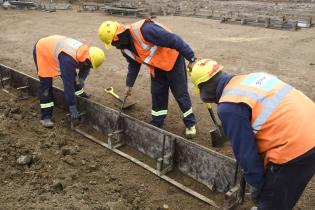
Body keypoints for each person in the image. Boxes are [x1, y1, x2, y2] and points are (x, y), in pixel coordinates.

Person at [188, 58, 315, 210]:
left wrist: (257, 187)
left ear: (204, 89)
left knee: (272, 202)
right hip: (309, 127)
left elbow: (246, 155)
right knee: (285, 190)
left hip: (296, 148)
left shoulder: (229, 107)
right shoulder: (253, 77)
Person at [98, 19, 197, 139]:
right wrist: (129, 84)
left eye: (114, 43)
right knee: (157, 93)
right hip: (156, 67)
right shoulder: (124, 48)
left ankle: (190, 123)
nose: (115, 46)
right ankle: (157, 122)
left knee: (180, 93)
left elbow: (174, 40)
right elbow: (134, 64)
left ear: (117, 37)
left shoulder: (145, 30)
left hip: (172, 60)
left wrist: (191, 59)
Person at [33, 35, 105, 128]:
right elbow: (68, 85)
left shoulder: (86, 53)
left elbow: (86, 67)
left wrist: (81, 79)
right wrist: (72, 107)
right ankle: (46, 116)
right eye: (90, 65)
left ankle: (80, 95)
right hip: (43, 51)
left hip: (56, 50)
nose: (89, 67)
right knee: (46, 85)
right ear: (87, 60)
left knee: (75, 80)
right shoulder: (68, 60)